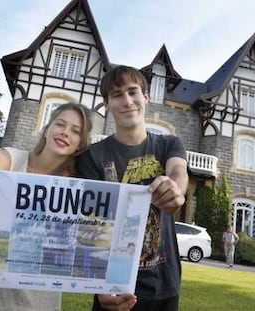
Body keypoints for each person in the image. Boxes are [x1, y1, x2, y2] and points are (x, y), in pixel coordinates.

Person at [0, 102, 92, 311]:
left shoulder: (79, 185)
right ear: (47, 129)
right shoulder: (15, 160)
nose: (65, 133)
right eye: (60, 124)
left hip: (42, 304)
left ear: (81, 144)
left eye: (76, 131)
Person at [77, 65, 189, 311]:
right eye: (117, 95)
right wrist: (98, 286)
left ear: (145, 97)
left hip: (163, 283)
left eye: (133, 92)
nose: (127, 101)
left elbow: (178, 171)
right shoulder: (92, 157)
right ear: (107, 103)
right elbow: (89, 226)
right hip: (111, 284)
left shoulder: (168, 144)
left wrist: (175, 188)